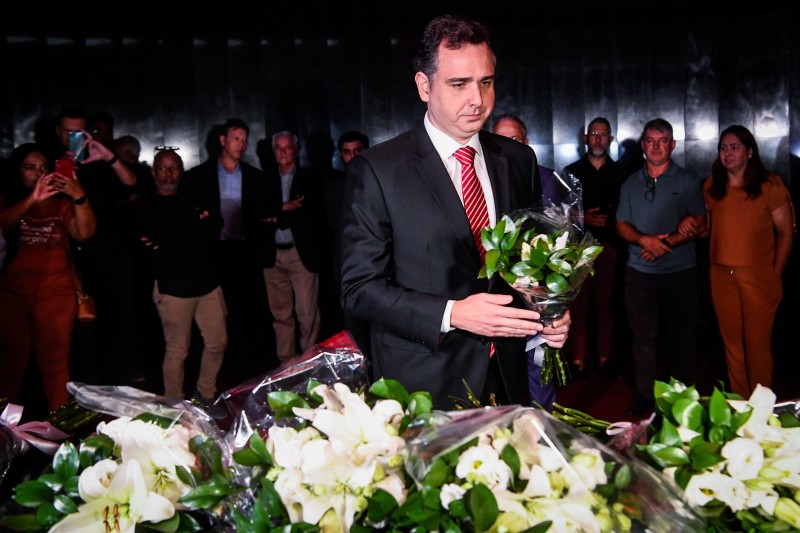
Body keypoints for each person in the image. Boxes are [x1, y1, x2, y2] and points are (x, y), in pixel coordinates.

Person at [339, 14, 570, 410]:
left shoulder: (518, 160)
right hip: (423, 381)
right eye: (459, 84)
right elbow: (358, 289)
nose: (477, 99)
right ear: (424, 86)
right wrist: (453, 313)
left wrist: (548, 306)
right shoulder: (378, 170)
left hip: (508, 375)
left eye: (486, 81)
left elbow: (529, 262)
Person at [616, 118, 707, 416]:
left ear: (673, 145)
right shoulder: (630, 183)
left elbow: (701, 225)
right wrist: (644, 240)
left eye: (663, 140)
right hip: (639, 274)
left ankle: (682, 397)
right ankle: (645, 396)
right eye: (651, 141)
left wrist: (663, 245)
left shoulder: (688, 181)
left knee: (683, 338)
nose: (656, 146)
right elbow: (621, 225)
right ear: (643, 145)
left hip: (681, 273)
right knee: (642, 340)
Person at [51, 106, 145, 387]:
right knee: (76, 331)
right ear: (59, 133)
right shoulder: (51, 164)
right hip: (69, 260)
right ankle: (82, 390)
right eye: (68, 132)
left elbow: (134, 187)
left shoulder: (102, 162)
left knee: (116, 325)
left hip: (110, 256)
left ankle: (117, 388)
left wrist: (109, 157)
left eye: (79, 132)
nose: (74, 138)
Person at [0, 143, 96, 412]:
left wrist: (79, 197)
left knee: (55, 364)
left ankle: (58, 435)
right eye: (31, 168)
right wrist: (32, 200)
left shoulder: (61, 203)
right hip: (11, 293)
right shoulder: (9, 198)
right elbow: (2, 226)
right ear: (18, 171)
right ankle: (6, 436)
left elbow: (85, 233)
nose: (39, 174)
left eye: (44, 168)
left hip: (55, 292)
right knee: (9, 364)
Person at [703, 125, 795, 397]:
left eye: (734, 147)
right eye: (723, 148)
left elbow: (786, 232)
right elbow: (711, 229)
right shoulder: (711, 187)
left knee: (757, 345)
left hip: (759, 277)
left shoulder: (769, 185)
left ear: (750, 151)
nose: (728, 153)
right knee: (732, 345)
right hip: (721, 275)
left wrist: (774, 273)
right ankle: (739, 406)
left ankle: (761, 407)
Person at [181, 118, 276, 380]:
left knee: (246, 315)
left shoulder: (254, 177)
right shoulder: (197, 177)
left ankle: (245, 371)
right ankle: (214, 375)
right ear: (222, 140)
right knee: (213, 317)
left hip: (245, 254)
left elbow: (262, 214)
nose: (242, 144)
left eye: (245, 140)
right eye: (237, 138)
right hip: (212, 255)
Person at [130, 149, 227, 405]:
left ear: (182, 172)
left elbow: (215, 226)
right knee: (177, 351)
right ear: (154, 172)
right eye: (163, 168)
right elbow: (168, 235)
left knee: (218, 342)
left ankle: (206, 395)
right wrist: (194, 228)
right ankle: (174, 404)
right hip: (172, 288)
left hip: (207, 284)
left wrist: (174, 236)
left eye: (174, 168)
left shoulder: (194, 198)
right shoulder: (144, 205)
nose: (168, 173)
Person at [491, 112, 558, 409]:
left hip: (534, 285)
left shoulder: (545, 177)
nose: (507, 145)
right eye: (500, 139)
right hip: (491, 290)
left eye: (514, 139)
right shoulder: (479, 176)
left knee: (537, 359)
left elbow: (556, 231)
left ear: (527, 143)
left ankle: (543, 426)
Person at [563, 117, 626, 379]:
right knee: (578, 306)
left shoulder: (622, 172)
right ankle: (577, 359)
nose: (598, 138)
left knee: (606, 304)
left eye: (603, 134)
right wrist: (583, 218)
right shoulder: (571, 171)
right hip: (579, 249)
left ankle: (605, 357)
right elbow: (560, 212)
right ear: (586, 138)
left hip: (611, 246)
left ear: (610, 139)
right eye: (594, 133)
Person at [262, 131, 323, 364]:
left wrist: (274, 213)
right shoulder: (264, 179)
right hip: (272, 255)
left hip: (301, 254)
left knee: (307, 314)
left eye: (288, 148)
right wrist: (285, 208)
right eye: (279, 148)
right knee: (280, 315)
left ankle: (308, 363)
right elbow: (255, 211)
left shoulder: (310, 179)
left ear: (296, 150)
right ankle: (286, 365)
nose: (283, 152)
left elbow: (310, 215)